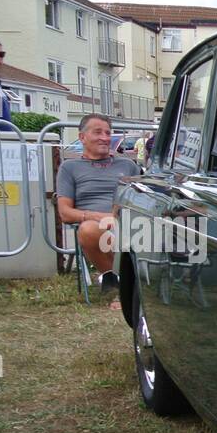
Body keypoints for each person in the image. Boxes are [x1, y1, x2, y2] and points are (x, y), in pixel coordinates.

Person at [56, 114, 141, 302]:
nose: (105, 137)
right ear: (82, 137)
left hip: (129, 222)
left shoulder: (127, 165)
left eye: (108, 133)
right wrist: (99, 217)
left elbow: (141, 198)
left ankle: (132, 288)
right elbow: (65, 212)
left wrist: (116, 216)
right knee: (88, 230)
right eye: (98, 132)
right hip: (97, 228)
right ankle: (120, 288)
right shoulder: (70, 168)